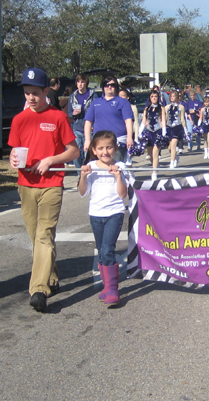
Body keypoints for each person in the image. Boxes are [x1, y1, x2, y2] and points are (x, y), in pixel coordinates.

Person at [8, 68, 80, 313]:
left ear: (46, 91)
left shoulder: (58, 117)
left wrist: (51, 160)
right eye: (27, 93)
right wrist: (13, 159)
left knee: (44, 233)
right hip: (25, 184)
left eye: (35, 93)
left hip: (51, 183)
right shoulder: (19, 119)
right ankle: (51, 274)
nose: (31, 98)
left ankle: (39, 289)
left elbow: (74, 151)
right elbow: (14, 150)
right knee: (36, 236)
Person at [78, 130, 130, 306]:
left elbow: (123, 195)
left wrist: (118, 177)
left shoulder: (121, 166)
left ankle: (113, 288)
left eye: (109, 147)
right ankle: (107, 285)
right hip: (96, 213)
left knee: (108, 249)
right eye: (100, 148)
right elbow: (83, 192)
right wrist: (83, 176)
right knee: (101, 251)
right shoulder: (91, 166)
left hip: (114, 212)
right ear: (94, 150)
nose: (105, 152)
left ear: (115, 148)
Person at [83, 75, 134, 162]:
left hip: (118, 141)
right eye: (106, 85)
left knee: (116, 167)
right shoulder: (95, 102)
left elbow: (128, 120)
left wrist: (129, 137)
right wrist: (87, 140)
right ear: (103, 87)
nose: (109, 87)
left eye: (112, 85)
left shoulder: (123, 102)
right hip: (99, 141)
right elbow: (88, 122)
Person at [67, 73, 94, 172]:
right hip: (77, 128)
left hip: (89, 128)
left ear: (86, 83)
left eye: (82, 82)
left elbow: (96, 111)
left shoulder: (92, 95)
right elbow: (69, 113)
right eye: (78, 82)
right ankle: (80, 173)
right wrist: (73, 114)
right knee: (76, 153)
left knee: (88, 153)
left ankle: (87, 173)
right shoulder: (72, 96)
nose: (80, 84)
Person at [141, 90, 167, 179]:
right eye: (152, 96)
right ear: (150, 98)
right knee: (150, 154)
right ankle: (155, 166)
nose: (154, 98)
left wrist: (164, 131)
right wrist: (140, 132)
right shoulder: (146, 108)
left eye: (155, 96)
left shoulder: (161, 108)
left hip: (158, 131)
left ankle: (154, 172)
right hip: (149, 132)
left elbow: (163, 120)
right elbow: (144, 121)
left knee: (155, 152)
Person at [164, 90, 187, 168]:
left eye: (174, 96)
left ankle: (172, 162)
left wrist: (185, 130)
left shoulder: (181, 107)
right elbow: (165, 118)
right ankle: (175, 157)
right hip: (169, 127)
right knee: (170, 147)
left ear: (177, 97)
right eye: (171, 96)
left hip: (177, 127)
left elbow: (182, 119)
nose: (172, 98)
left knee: (173, 144)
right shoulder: (166, 107)